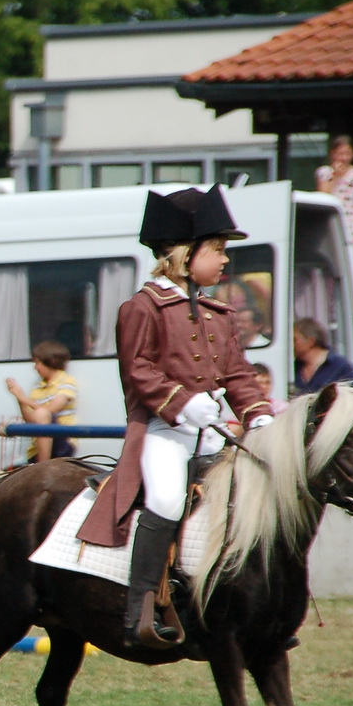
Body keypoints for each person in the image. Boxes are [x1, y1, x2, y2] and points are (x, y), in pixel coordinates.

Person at [77, 187, 272, 650]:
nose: (226, 261)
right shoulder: (141, 308)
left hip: (210, 437)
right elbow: (138, 370)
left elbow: (239, 374)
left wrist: (260, 416)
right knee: (165, 499)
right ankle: (139, 608)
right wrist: (183, 404)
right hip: (164, 432)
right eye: (218, 250)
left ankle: (254, 609)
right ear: (185, 256)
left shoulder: (218, 314)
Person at [6, 340, 78, 463]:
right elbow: (31, 420)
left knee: (42, 413)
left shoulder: (66, 381)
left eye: (37, 363)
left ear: (50, 362)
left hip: (62, 441)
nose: (35, 368)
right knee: (40, 414)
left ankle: (42, 465)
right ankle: (41, 460)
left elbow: (52, 409)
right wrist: (20, 400)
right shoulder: (38, 386)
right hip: (36, 448)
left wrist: (24, 398)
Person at [315, 135, 353, 256]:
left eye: (347, 153)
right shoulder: (325, 173)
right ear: (332, 154)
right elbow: (322, 196)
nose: (344, 157)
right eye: (340, 153)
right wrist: (336, 177)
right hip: (332, 222)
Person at [291, 317, 353, 395]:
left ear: (310, 341)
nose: (291, 345)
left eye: (294, 340)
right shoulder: (292, 368)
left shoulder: (341, 366)